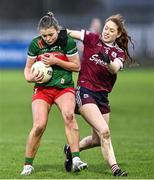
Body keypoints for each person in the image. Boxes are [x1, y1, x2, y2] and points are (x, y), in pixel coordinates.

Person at [65, 14, 134, 177]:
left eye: (111, 30)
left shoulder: (119, 52)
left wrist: (108, 61)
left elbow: (114, 68)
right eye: (106, 28)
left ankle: (71, 148)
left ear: (117, 34)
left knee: (97, 139)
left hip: (102, 97)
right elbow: (69, 32)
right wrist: (55, 30)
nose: (107, 32)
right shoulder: (92, 38)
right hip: (85, 91)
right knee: (105, 131)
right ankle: (115, 169)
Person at [20, 11, 88, 175]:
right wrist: (29, 77)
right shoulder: (35, 44)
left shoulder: (67, 42)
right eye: (44, 36)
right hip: (43, 90)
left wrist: (55, 61)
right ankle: (27, 165)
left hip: (64, 88)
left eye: (51, 34)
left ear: (57, 30)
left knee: (69, 116)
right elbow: (28, 68)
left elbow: (77, 66)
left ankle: (76, 159)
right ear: (39, 34)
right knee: (39, 126)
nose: (48, 38)